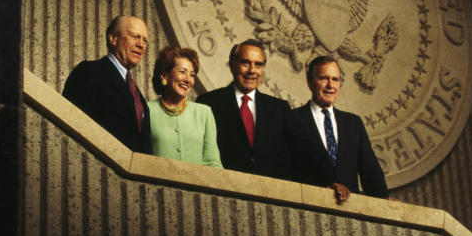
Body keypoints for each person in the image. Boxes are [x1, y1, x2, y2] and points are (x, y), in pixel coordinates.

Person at [287, 55, 389, 202]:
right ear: (310, 82)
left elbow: (370, 171)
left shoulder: (353, 123)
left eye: (335, 79)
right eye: (324, 78)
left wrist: (384, 200)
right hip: (308, 204)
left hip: (349, 209)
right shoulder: (292, 119)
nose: (330, 85)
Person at [195, 39, 293, 179]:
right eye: (245, 63)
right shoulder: (208, 102)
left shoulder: (280, 109)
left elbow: (287, 159)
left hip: (269, 193)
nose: (252, 70)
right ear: (232, 65)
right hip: (222, 188)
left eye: (258, 65)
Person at [63, 15, 151, 153]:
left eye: (145, 40)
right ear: (113, 38)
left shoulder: (138, 96)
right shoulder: (89, 72)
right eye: (135, 36)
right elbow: (71, 128)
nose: (141, 45)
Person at [146, 46, 222, 168]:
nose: (188, 80)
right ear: (165, 76)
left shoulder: (204, 113)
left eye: (192, 75)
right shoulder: (147, 111)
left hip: (198, 186)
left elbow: (213, 164)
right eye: (182, 72)